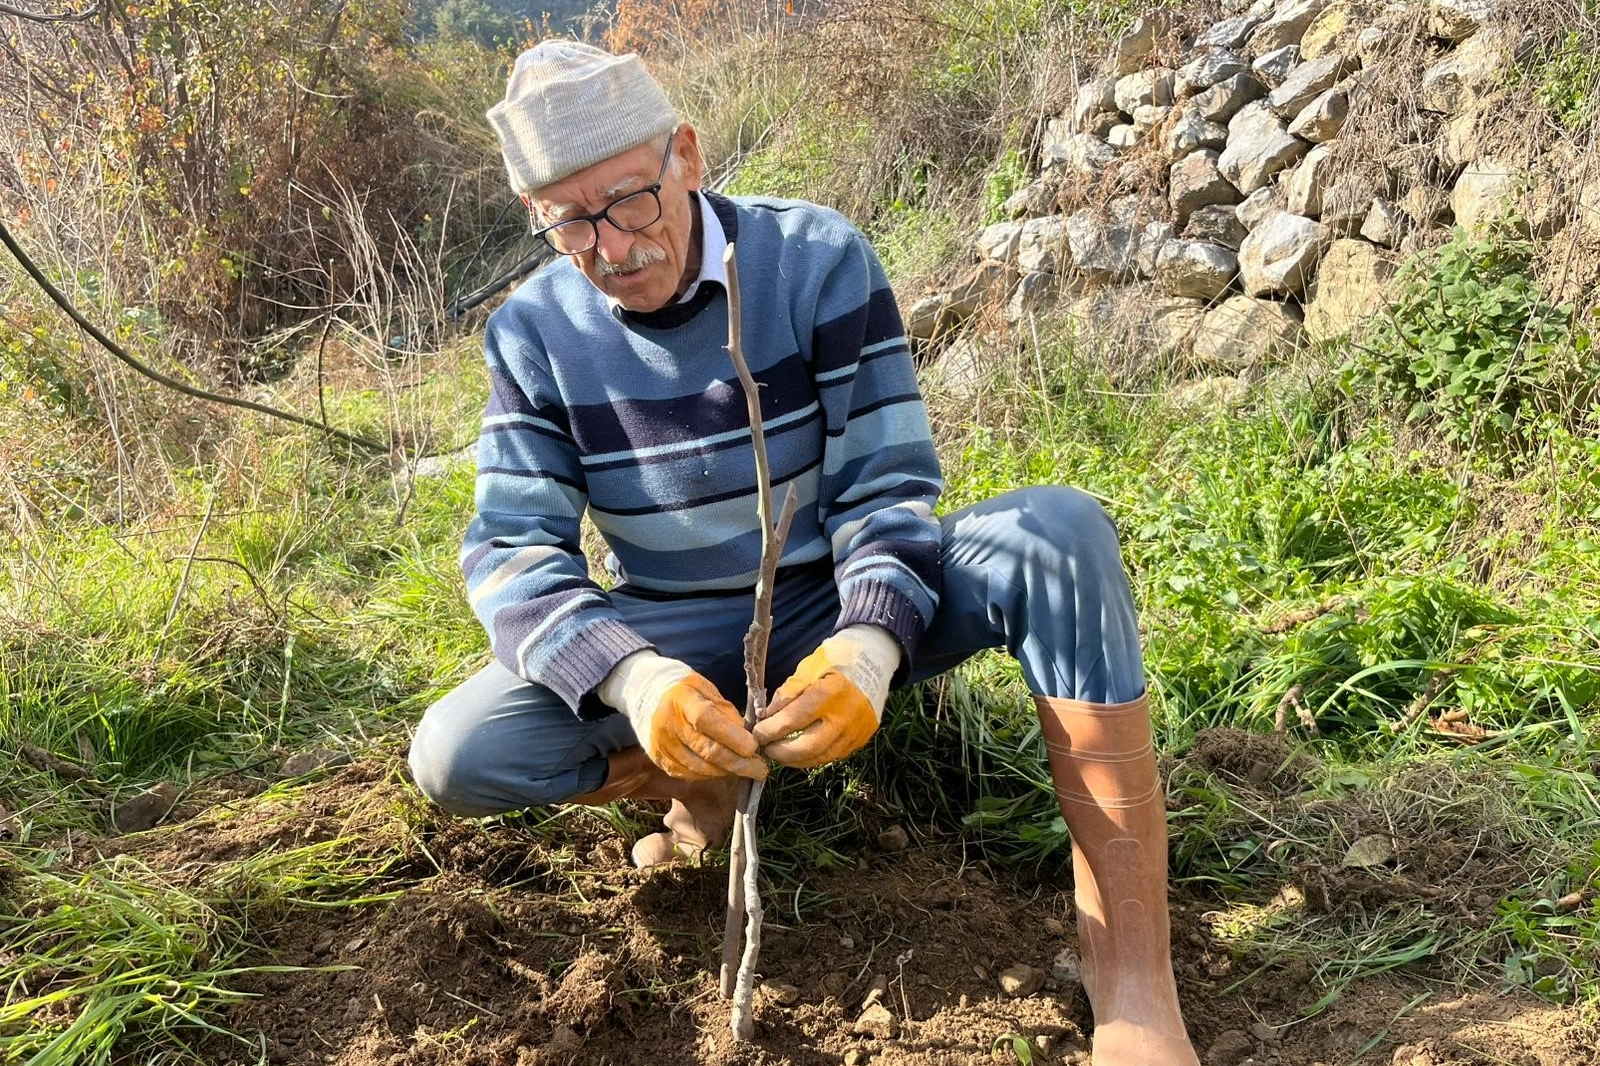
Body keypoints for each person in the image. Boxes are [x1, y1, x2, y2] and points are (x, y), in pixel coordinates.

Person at [407, 39, 1200, 1065]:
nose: (611, 246)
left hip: (835, 592)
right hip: (676, 624)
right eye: (569, 220)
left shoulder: (814, 258)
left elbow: (884, 485)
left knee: (1058, 534)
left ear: (686, 156)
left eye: (630, 200)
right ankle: (699, 774)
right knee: (458, 752)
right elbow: (514, 549)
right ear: (535, 214)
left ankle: (1130, 972)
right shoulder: (533, 334)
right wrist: (636, 681)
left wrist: (869, 644)